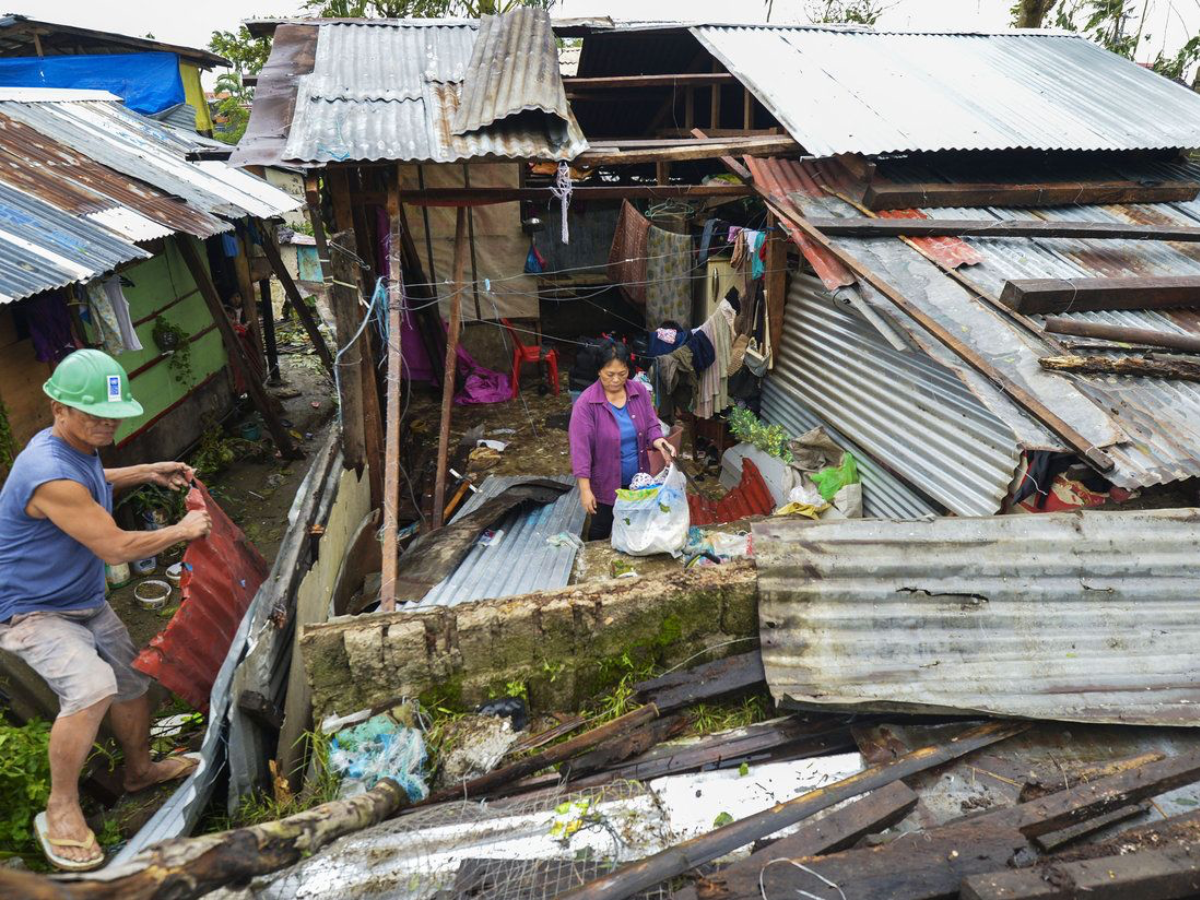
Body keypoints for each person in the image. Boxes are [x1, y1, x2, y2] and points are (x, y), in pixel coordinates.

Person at [0, 349, 213, 871]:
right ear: (58, 407)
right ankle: (61, 808)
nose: (105, 423)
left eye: (112, 414)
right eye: (92, 413)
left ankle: (139, 770)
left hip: (82, 599)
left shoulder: (74, 447)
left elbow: (94, 479)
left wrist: (146, 470)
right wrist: (182, 531)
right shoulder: (49, 472)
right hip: (32, 611)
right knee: (91, 686)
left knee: (131, 679)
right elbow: (116, 548)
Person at [569, 341, 676, 541]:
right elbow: (580, 450)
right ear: (599, 370)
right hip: (605, 483)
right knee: (601, 527)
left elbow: (652, 425)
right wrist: (585, 489)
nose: (617, 379)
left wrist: (660, 443)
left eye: (623, 373)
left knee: (635, 526)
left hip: (638, 479)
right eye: (610, 374)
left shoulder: (639, 392)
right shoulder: (586, 404)